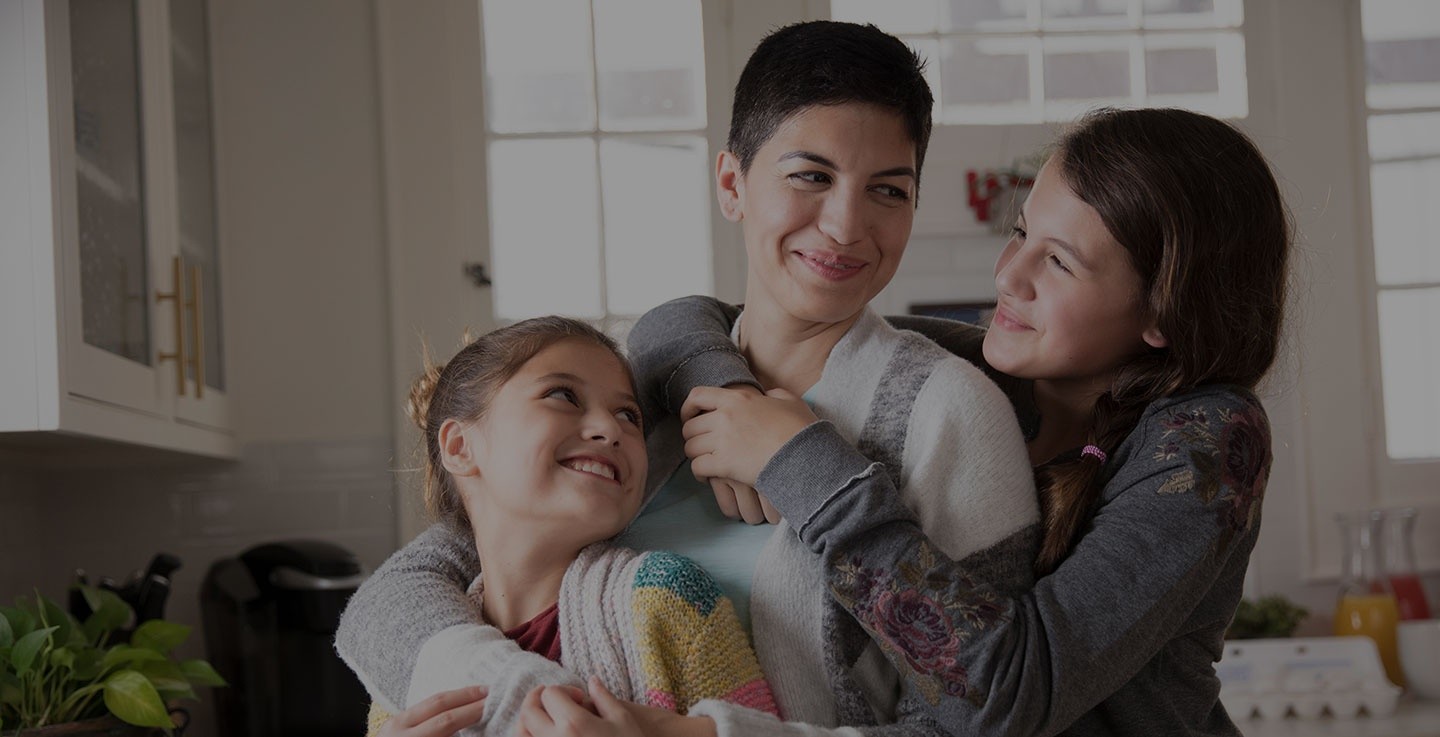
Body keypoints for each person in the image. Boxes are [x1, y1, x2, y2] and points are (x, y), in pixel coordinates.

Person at [337, 18, 1041, 737]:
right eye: (811, 176)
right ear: (732, 182)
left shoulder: (949, 416)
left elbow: (981, 719)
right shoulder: (637, 397)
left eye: (889, 191)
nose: (845, 224)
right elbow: (405, 592)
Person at [634, 105, 1291, 736]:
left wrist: (802, 465)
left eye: (1058, 262)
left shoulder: (1209, 439)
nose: (1009, 276)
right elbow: (680, 324)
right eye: (1020, 232)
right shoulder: (967, 369)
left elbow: (1009, 695)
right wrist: (729, 391)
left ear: (1163, 313)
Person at [353, 316, 778, 736]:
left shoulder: (668, 598)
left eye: (629, 416)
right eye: (562, 395)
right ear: (460, 446)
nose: (610, 429)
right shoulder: (416, 660)